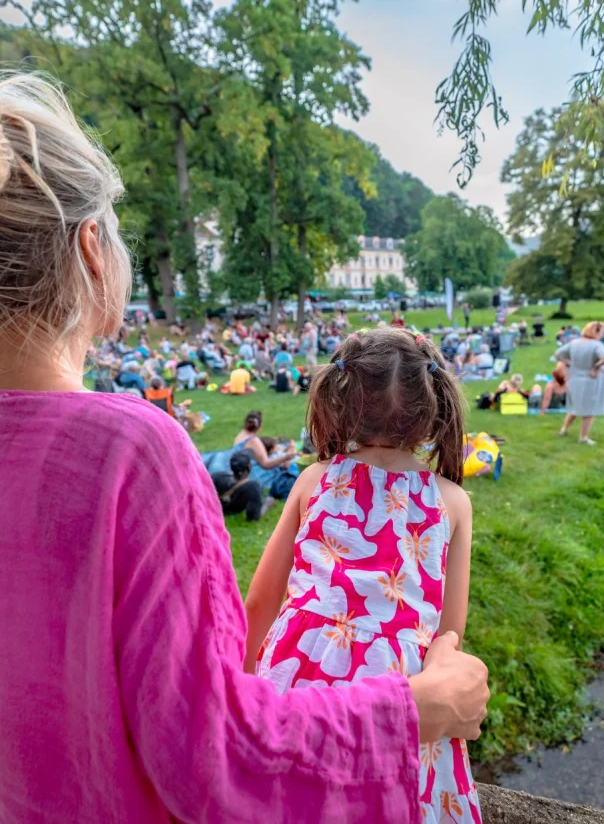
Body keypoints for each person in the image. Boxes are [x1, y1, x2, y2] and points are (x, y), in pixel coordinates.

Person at [0, 71, 489, 823]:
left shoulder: (312, 481)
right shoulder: (129, 451)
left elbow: (253, 615)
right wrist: (413, 710)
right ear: (91, 249)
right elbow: (212, 755)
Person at [243, 329, 481, 823]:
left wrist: (243, 692)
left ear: (338, 401)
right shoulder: (452, 501)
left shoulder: (314, 480)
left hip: (298, 670)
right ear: (432, 409)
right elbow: (449, 633)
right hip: (402, 689)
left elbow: (260, 603)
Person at [556, 321, 604, 444]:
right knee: (589, 410)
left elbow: (558, 354)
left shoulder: (574, 343)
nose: (602, 335)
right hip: (590, 380)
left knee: (575, 407)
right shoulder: (597, 345)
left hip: (574, 379)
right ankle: (583, 437)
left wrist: (568, 363)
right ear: (595, 332)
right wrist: (596, 366)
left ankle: (564, 429)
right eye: (601, 332)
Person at [212, 450, 275, 522]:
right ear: (249, 467)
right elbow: (253, 517)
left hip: (218, 510)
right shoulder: (252, 487)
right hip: (231, 510)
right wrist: (267, 505)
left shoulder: (217, 476)